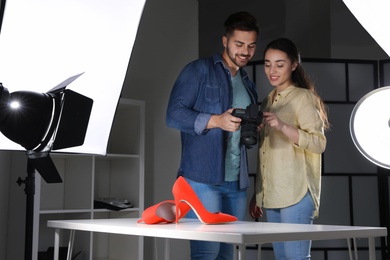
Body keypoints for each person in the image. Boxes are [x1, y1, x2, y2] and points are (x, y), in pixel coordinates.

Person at [166, 11, 259, 260]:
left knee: (229, 255)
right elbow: (173, 114)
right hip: (202, 179)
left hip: (236, 183)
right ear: (225, 41)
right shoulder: (198, 70)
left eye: (251, 46)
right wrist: (216, 120)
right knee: (206, 254)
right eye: (239, 44)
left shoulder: (248, 83)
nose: (245, 52)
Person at [249, 37, 330, 260]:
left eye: (279, 64)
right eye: (267, 64)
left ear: (294, 65)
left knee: (296, 258)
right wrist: (258, 195)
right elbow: (265, 154)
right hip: (272, 194)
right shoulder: (267, 101)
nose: (272, 70)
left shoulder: (304, 97)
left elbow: (319, 144)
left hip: (297, 192)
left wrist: (284, 126)